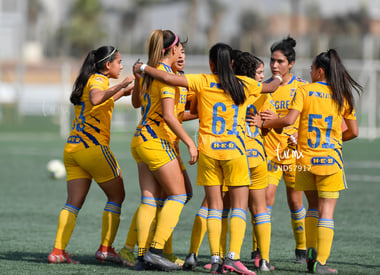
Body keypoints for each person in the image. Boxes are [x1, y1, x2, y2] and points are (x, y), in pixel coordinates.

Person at [135, 42, 282, 275]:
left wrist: (143, 68)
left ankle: (215, 259)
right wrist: (278, 77)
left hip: (208, 152)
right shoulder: (246, 83)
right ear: (232, 64)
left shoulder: (203, 80)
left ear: (211, 63)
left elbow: (169, 79)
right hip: (235, 152)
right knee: (239, 208)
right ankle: (232, 258)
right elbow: (271, 87)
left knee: (214, 207)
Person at [247, 49, 362, 274]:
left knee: (311, 207)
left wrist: (264, 124)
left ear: (320, 71)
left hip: (304, 159)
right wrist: (336, 140)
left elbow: (289, 120)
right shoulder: (343, 94)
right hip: (329, 160)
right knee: (326, 212)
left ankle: (309, 254)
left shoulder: (304, 91)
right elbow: (354, 132)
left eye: (311, 68)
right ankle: (320, 262)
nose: (310, 72)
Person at [48, 46, 134, 264]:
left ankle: (58, 251)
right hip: (93, 149)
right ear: (108, 65)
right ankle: (106, 249)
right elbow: (97, 99)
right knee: (117, 196)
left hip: (73, 150)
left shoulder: (90, 80)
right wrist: (122, 84)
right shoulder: (98, 80)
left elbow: (98, 104)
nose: (121, 66)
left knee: (73, 203)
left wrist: (125, 90)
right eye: (119, 62)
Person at [117, 40, 195, 268]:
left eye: (184, 53)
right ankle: (153, 251)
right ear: (169, 51)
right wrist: (190, 141)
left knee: (154, 200)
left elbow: (142, 105)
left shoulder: (162, 74)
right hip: (156, 140)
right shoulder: (165, 76)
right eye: (179, 51)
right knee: (178, 196)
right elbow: (167, 116)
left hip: (148, 139)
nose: (181, 56)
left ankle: (141, 253)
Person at [259, 37, 309, 265]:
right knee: (264, 200)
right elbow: (256, 118)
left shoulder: (303, 87)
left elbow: (309, 119)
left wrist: (300, 134)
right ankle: (260, 250)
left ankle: (301, 247)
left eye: (280, 61)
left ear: (291, 63)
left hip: (293, 154)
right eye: (272, 60)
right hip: (269, 153)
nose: (274, 65)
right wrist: (261, 122)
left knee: (295, 201)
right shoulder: (265, 88)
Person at [233, 51, 275, 272]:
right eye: (260, 72)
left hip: (236, 154)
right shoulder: (264, 94)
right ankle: (265, 260)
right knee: (260, 209)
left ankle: (224, 257)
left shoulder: (228, 90)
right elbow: (269, 127)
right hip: (257, 155)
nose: (262, 76)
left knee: (226, 209)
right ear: (251, 73)